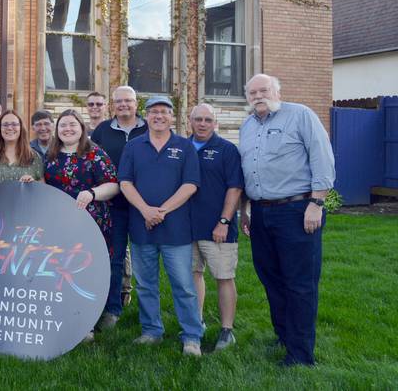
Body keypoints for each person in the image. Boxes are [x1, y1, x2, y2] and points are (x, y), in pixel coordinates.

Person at [239, 74, 335, 367]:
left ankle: (301, 354)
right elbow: (247, 170)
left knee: (300, 283)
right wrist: (245, 209)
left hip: (297, 211)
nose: (258, 95)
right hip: (260, 212)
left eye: (264, 90)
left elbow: (322, 158)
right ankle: (284, 336)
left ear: (277, 91)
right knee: (271, 278)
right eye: (252, 92)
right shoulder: (248, 125)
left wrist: (316, 203)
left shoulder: (301, 115)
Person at [118, 95, 204, 356]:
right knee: (145, 284)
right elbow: (125, 182)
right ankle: (151, 331)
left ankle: (192, 336)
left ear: (172, 116)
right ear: (146, 116)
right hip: (142, 227)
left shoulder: (184, 147)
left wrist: (161, 211)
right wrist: (145, 210)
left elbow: (190, 184)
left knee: (183, 285)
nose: (159, 116)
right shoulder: (134, 146)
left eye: (164, 112)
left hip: (176, 229)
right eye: (154, 111)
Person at [44, 109, 119, 342]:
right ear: (57, 130)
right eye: (63, 125)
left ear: (81, 128)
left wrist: (92, 193)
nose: (68, 129)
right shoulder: (51, 154)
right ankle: (64, 318)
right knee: (61, 272)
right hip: (58, 223)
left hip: (91, 221)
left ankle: (86, 323)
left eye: (72, 125)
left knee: (86, 272)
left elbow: (113, 184)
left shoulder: (94, 153)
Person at [90, 86, 148, 329]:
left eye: (129, 101)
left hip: (144, 206)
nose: (124, 105)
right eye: (119, 101)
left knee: (146, 259)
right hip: (113, 206)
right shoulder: (102, 131)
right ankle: (112, 309)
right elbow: (90, 161)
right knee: (113, 258)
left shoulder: (148, 127)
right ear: (113, 105)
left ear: (136, 103)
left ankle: (148, 314)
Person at [188, 103, 244, 351]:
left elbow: (235, 188)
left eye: (208, 120)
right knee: (193, 274)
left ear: (215, 124)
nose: (202, 124)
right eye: (198, 119)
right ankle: (196, 322)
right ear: (190, 122)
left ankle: (226, 330)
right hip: (187, 227)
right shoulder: (182, 147)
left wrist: (224, 221)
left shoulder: (227, 150)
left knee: (223, 276)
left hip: (218, 228)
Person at [0, 110, 43, 192]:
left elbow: (43, 188)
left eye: (14, 124)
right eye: (5, 125)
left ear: (21, 128)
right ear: (0, 129)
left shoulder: (33, 156)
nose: (9, 128)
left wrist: (33, 183)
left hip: (24, 204)